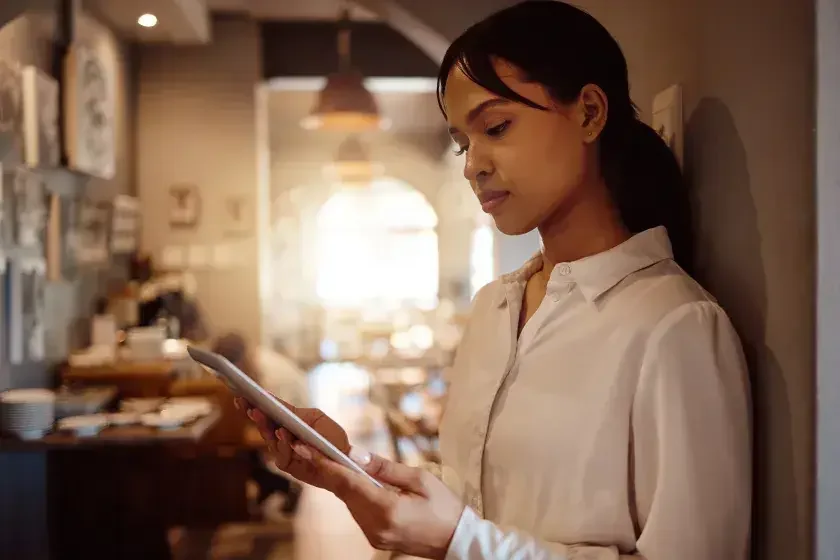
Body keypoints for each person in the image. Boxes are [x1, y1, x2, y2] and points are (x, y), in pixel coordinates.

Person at [239, 2, 752, 558]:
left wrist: (460, 540)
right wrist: (351, 472)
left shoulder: (676, 327)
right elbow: (476, 494)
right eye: (464, 142)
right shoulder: (495, 308)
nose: (471, 165)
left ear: (589, 113)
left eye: (497, 127)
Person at [213, 333, 310, 517]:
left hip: (296, 421)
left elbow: (284, 419)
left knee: (234, 445)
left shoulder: (273, 378)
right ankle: (270, 484)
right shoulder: (255, 362)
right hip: (284, 416)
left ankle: (283, 485)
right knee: (233, 442)